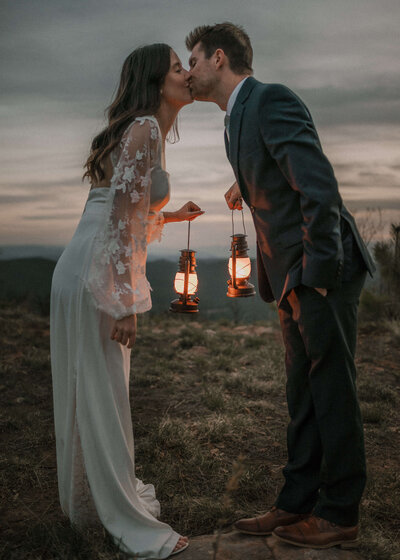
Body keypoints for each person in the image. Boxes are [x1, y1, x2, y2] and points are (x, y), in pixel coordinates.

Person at [186, 23, 375, 550]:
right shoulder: (236, 119)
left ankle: (339, 512)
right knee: (304, 390)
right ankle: (296, 504)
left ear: (218, 58)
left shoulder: (269, 99)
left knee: (331, 388)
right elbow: (279, 169)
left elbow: (318, 186)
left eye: (193, 60)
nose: (189, 70)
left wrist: (317, 275)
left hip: (319, 271)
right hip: (290, 274)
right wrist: (242, 184)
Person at [50, 43, 204, 559]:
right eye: (179, 68)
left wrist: (171, 217)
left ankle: (90, 503)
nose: (188, 73)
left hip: (82, 264)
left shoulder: (141, 129)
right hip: (98, 270)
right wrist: (125, 303)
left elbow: (128, 209)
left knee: (93, 390)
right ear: (159, 81)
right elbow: (118, 218)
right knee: (106, 396)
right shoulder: (146, 128)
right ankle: (126, 522)